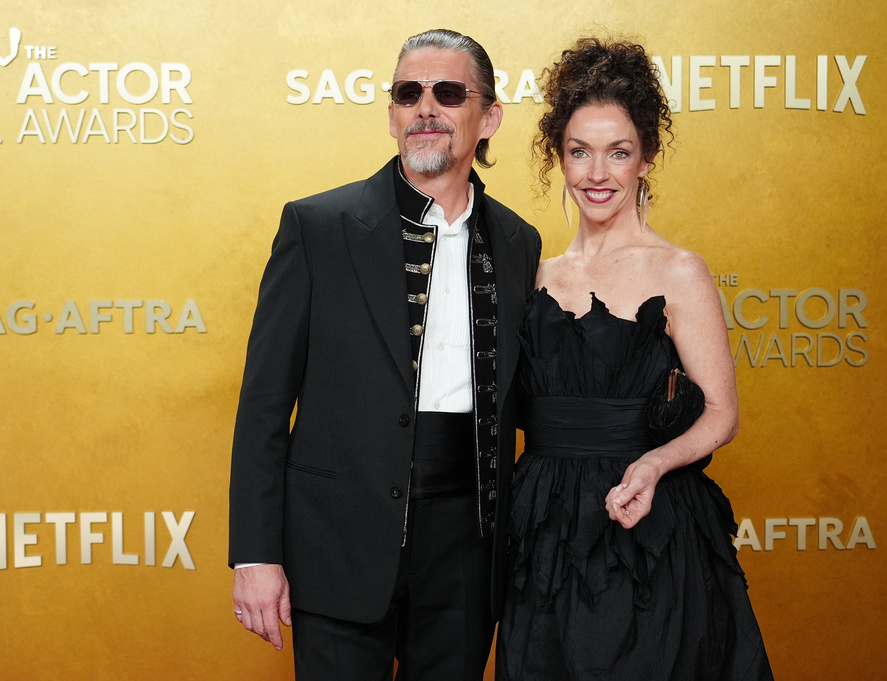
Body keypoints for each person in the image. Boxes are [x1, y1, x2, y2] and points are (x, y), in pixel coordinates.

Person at [229, 28, 541, 681]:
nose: (425, 108)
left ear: (489, 118)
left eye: (448, 93)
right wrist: (255, 554)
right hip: (337, 542)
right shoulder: (318, 227)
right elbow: (263, 407)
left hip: (468, 551)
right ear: (393, 115)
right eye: (408, 94)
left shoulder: (518, 242)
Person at [496, 38, 773, 680]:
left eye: (618, 152)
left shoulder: (679, 272)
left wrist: (654, 463)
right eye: (580, 152)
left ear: (646, 158)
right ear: (559, 158)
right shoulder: (533, 274)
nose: (598, 174)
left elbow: (722, 413)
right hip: (543, 531)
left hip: (647, 526)